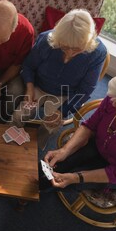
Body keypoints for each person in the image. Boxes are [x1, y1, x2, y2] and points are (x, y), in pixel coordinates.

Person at [12, 9, 107, 149]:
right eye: (65, 47)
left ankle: (35, 149)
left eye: (77, 49)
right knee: (18, 116)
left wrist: (62, 111)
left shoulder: (98, 53)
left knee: (51, 126)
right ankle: (7, 147)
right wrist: (30, 88)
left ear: (87, 43)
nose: (69, 53)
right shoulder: (46, 40)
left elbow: (86, 90)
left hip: (64, 94)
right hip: (38, 85)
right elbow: (28, 66)